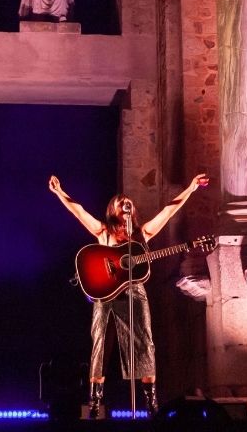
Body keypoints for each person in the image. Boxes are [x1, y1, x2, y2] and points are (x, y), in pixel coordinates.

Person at [47, 172, 210, 417]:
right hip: (106, 294)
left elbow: (168, 211)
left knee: (145, 343)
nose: (126, 204)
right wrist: (61, 193)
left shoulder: (141, 235)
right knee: (101, 344)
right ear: (112, 209)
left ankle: (151, 405)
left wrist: (190, 188)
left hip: (134, 292)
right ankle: (94, 404)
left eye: (129, 203)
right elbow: (79, 212)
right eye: (120, 202)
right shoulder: (104, 233)